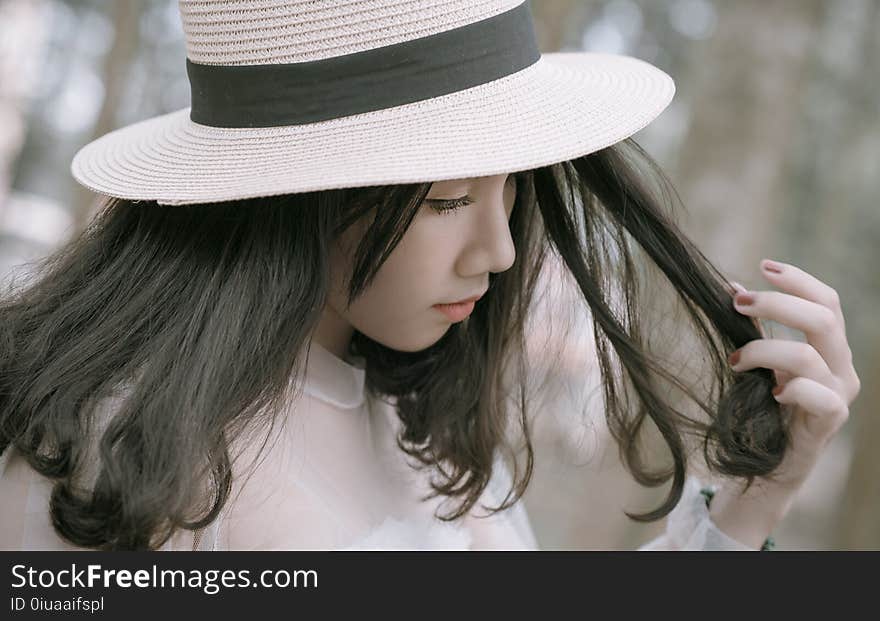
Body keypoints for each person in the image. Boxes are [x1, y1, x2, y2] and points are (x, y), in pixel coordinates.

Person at [0, 0, 860, 551]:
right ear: (297, 194)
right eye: (449, 198)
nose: (502, 250)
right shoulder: (115, 459)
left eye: (512, 185)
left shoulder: (427, 425)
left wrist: (751, 503)